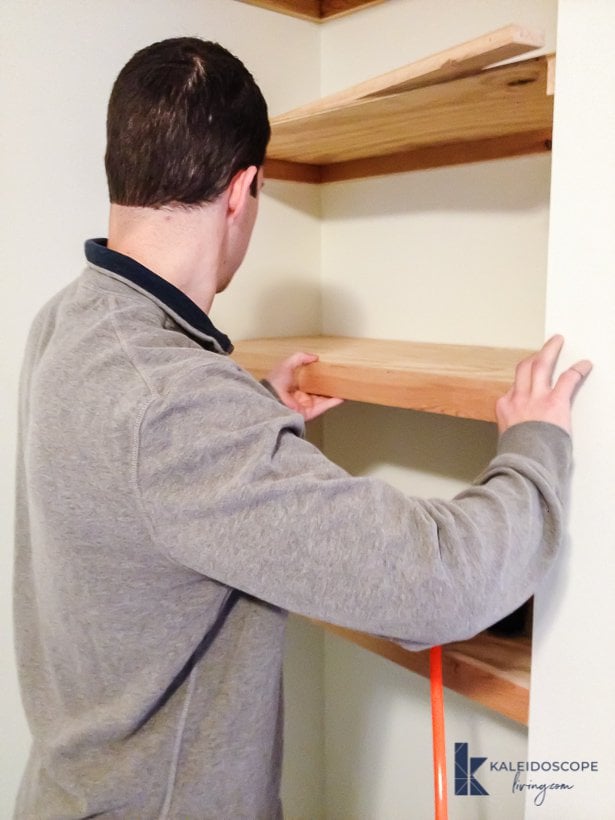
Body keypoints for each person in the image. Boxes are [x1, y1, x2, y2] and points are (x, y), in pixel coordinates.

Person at [13, 36, 591, 820]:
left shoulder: (70, 322)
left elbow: (137, 490)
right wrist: (533, 444)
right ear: (242, 189)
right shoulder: (172, 407)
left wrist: (256, 423)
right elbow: (438, 586)